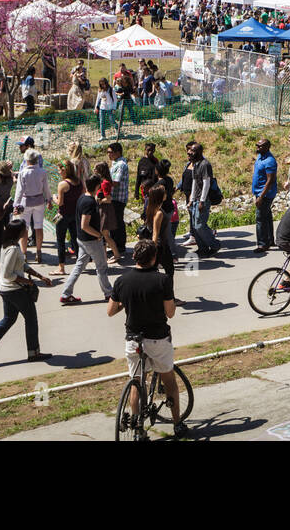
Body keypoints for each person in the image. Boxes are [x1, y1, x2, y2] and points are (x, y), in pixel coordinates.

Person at [108, 238, 188, 439]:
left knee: (136, 381)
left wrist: (129, 303)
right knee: (169, 379)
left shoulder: (121, 281)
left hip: (133, 339)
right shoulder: (162, 280)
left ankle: (137, 428)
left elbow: (111, 311)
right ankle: (177, 423)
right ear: (154, 259)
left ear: (134, 256)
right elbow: (170, 313)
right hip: (157, 338)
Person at [0, 219, 52, 368]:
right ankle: (34, 353)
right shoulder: (13, 248)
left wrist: (39, 276)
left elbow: (21, 265)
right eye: (25, 229)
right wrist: (29, 282)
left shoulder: (9, 245)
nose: (27, 231)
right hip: (14, 290)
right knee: (31, 319)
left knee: (8, 320)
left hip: (6, 289)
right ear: (19, 232)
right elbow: (8, 274)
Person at [59, 174, 115, 304]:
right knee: (102, 266)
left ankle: (66, 293)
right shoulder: (89, 202)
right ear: (97, 186)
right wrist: (98, 235)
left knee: (79, 266)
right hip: (91, 241)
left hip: (82, 240)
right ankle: (109, 293)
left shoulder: (83, 198)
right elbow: (85, 225)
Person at [13, 149, 52, 264]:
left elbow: (19, 191)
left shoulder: (23, 173)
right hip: (39, 200)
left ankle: (24, 253)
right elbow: (46, 188)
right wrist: (49, 199)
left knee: (24, 228)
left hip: (26, 201)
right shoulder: (42, 172)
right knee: (39, 227)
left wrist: (16, 204)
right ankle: (38, 251)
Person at [185, 142, 221, 257]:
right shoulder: (195, 164)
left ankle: (215, 245)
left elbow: (206, 183)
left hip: (203, 200)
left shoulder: (205, 164)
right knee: (195, 226)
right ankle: (203, 248)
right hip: (196, 200)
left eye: (193, 150)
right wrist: (191, 199)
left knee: (200, 225)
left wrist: (202, 201)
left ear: (199, 152)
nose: (190, 152)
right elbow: (195, 182)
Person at [52, 160, 81, 277]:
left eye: (59, 170)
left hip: (63, 215)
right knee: (75, 239)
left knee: (60, 241)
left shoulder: (62, 184)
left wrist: (54, 197)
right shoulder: (79, 182)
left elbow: (60, 203)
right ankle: (80, 263)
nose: (59, 172)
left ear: (64, 171)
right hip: (75, 215)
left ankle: (61, 267)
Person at [252, 138, 278, 253]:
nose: (258, 148)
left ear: (267, 147)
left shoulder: (270, 161)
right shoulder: (260, 157)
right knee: (267, 217)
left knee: (260, 218)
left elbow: (270, 180)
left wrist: (261, 196)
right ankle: (270, 240)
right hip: (259, 192)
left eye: (260, 146)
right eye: (257, 145)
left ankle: (262, 244)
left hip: (265, 194)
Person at [107, 142, 130, 259]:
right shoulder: (115, 163)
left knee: (117, 223)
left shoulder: (120, 165)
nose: (108, 155)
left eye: (110, 152)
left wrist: (104, 181)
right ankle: (115, 246)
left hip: (118, 198)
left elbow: (116, 182)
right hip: (114, 198)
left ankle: (119, 247)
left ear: (118, 152)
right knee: (114, 223)